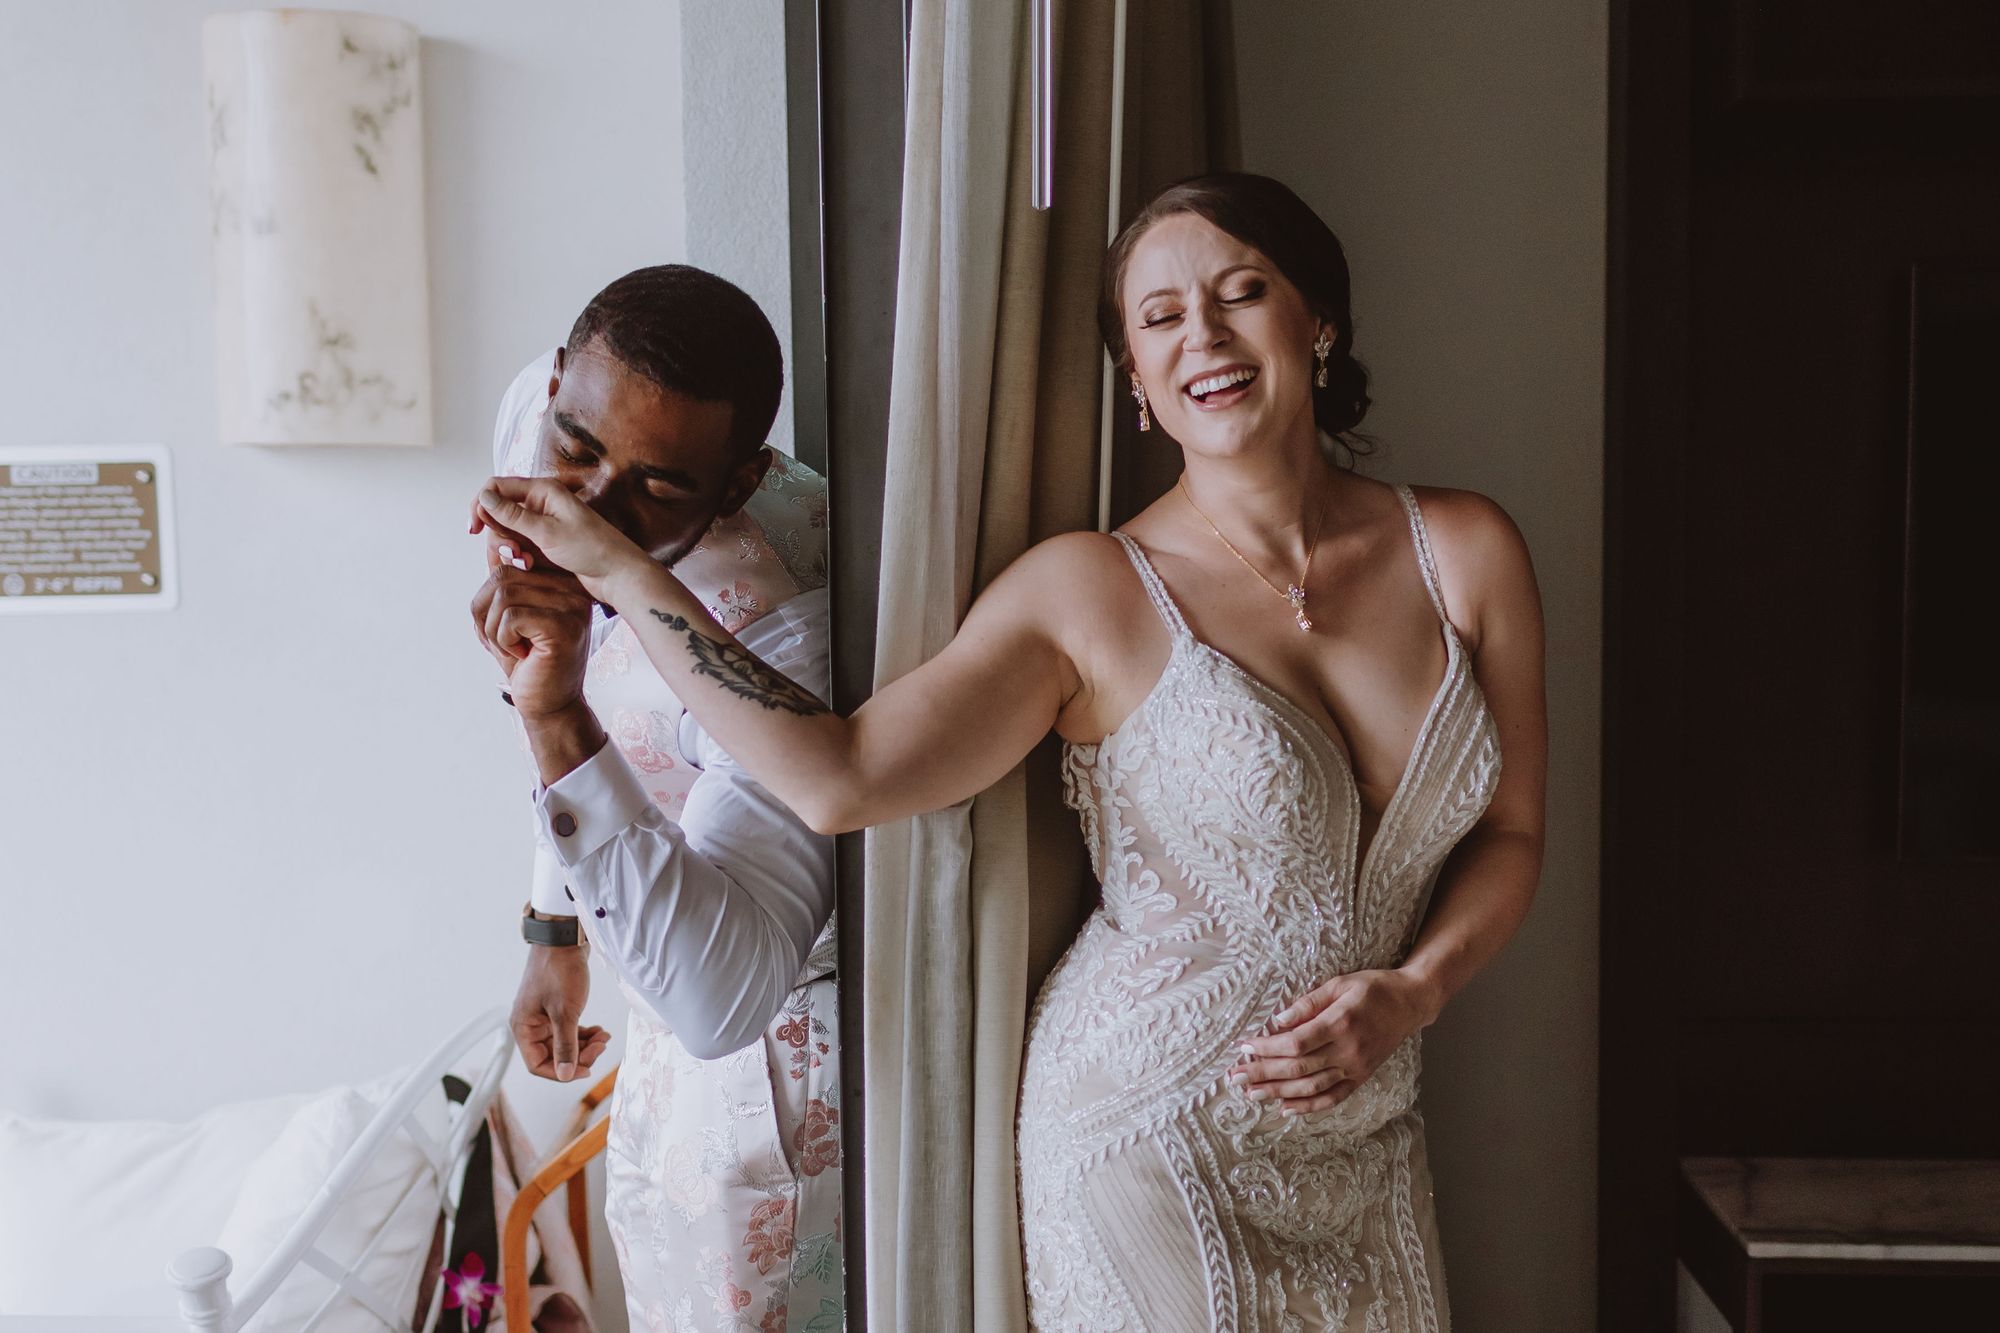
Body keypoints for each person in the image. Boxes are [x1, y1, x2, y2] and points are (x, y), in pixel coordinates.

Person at [478, 176, 1547, 1332]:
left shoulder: (1465, 551)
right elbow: (838, 779)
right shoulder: (1086, 591)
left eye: (1239, 293)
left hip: (1368, 1140)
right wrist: (622, 574)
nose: (1201, 335)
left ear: (1317, 319)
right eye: (1159, 316)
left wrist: (1413, 992)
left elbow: (1510, 830)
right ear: (1134, 379)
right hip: (1146, 1150)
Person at [471, 265, 842, 1333]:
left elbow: (721, 1000)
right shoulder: (535, 425)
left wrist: (555, 716)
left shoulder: (787, 631)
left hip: (769, 1060)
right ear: (555, 387)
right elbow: (556, 670)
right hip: (650, 1000)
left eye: (657, 489)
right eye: (576, 450)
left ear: (738, 483)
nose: (587, 511)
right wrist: (554, 925)